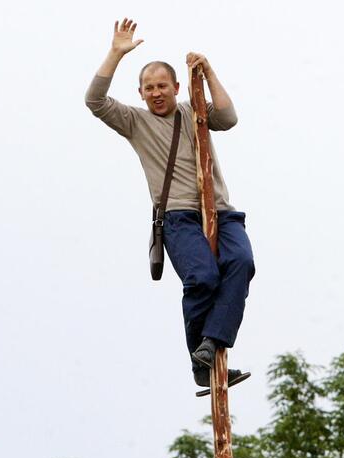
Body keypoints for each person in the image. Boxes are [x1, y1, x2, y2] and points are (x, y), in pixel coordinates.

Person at [85, 18, 256, 391]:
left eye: (163, 86)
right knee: (203, 278)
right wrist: (116, 53)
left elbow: (227, 117)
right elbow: (94, 101)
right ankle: (202, 358)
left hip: (222, 210)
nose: (157, 93)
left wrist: (208, 73)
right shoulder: (134, 121)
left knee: (241, 263)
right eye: (149, 88)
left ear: (176, 86)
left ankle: (211, 343)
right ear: (141, 93)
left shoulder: (192, 109)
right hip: (178, 217)